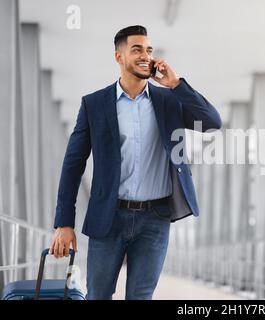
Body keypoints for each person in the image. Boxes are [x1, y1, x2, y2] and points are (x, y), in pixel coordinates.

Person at [49, 25, 222, 300]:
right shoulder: (94, 104)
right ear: (119, 57)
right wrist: (64, 222)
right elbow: (73, 165)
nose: (146, 55)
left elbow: (212, 122)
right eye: (137, 49)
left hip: (155, 218)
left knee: (141, 296)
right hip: (109, 217)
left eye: (149, 50)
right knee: (98, 295)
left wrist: (176, 85)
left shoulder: (169, 101)